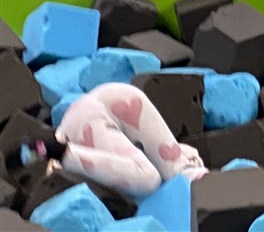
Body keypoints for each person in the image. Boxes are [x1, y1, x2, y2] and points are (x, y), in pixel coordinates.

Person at [20, 83, 207, 198]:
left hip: (89, 115)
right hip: (104, 104)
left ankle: (59, 151)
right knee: (163, 175)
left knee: (164, 175)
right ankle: (59, 151)